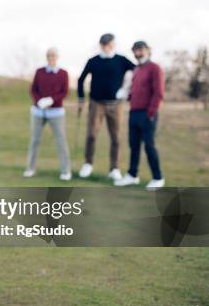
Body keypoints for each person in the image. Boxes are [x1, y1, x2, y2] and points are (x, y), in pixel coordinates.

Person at [77, 33, 135, 180]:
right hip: (96, 103)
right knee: (91, 135)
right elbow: (81, 79)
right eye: (104, 44)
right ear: (101, 45)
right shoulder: (93, 61)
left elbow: (138, 72)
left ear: (113, 45)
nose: (107, 47)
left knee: (116, 137)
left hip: (116, 105)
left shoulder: (121, 60)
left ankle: (114, 168)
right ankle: (88, 164)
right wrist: (81, 98)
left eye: (109, 44)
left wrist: (126, 90)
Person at [115, 41, 165, 190]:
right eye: (135, 50)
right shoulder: (137, 69)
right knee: (134, 146)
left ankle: (158, 178)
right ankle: (132, 175)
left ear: (148, 50)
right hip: (134, 112)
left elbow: (159, 92)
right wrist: (127, 95)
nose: (138, 53)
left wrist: (151, 112)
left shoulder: (154, 68)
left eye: (140, 49)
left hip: (147, 113)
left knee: (149, 146)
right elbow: (136, 90)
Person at [23, 47, 71, 180]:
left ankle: (65, 171)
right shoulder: (39, 72)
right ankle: (30, 168)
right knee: (34, 140)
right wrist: (39, 101)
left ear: (57, 57)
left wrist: (51, 100)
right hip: (38, 111)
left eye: (54, 56)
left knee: (61, 141)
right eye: (49, 56)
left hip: (56, 112)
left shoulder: (63, 73)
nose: (52, 58)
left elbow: (64, 92)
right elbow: (33, 89)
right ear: (47, 57)